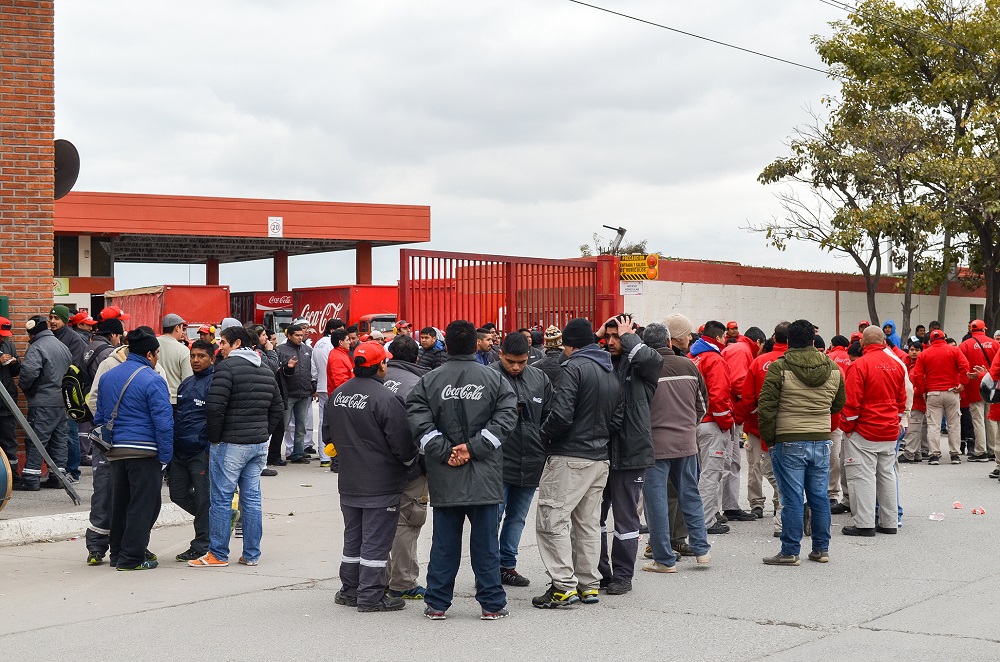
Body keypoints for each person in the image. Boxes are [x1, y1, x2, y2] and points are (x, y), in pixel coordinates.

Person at [407, 320, 517, 621]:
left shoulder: (429, 380)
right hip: (485, 475)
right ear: (474, 345)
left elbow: (417, 419)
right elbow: (507, 418)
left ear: (448, 346)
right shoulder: (494, 379)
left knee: (444, 544)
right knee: (486, 545)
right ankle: (492, 604)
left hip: (445, 476)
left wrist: (446, 452)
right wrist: (475, 448)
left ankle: (438, 603)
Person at [532, 318, 620, 608]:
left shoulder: (573, 368)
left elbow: (561, 415)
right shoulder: (609, 368)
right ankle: (588, 584)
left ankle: (563, 585)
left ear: (569, 346)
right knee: (589, 524)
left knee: (551, 520)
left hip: (570, 457)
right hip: (599, 457)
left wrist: (542, 437)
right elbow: (618, 417)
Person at [327, 342, 417, 613]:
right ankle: (371, 596)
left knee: (353, 539)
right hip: (381, 483)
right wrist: (410, 463)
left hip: (349, 481)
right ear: (380, 365)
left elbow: (327, 438)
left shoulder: (338, 394)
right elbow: (402, 444)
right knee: (376, 542)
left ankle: (350, 590)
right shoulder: (385, 398)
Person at [190, 326, 283, 568]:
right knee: (251, 499)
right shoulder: (265, 369)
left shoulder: (227, 368)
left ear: (236, 343)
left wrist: (215, 438)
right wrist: (264, 433)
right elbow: (278, 408)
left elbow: (214, 407)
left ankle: (218, 554)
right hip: (257, 445)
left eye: (223, 342)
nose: (219, 347)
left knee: (221, 498)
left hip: (230, 444)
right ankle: (251, 554)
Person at [757, 319, 845, 565]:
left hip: (789, 439)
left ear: (787, 341)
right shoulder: (833, 368)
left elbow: (766, 407)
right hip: (821, 439)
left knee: (792, 498)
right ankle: (821, 549)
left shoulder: (779, 367)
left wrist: (770, 439)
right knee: (819, 496)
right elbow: (838, 403)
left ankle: (790, 551)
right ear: (812, 339)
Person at [95, 327, 173, 571]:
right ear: (149, 354)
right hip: (144, 452)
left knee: (119, 505)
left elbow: (99, 416)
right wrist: (166, 456)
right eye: (157, 354)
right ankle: (132, 558)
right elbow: (164, 422)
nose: (157, 358)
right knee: (143, 505)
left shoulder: (108, 377)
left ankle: (117, 554)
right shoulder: (153, 380)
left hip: (116, 451)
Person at [596, 314, 661, 595]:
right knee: (592, 518)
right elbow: (570, 361)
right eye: (607, 336)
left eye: (617, 337)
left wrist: (629, 337)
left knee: (625, 521)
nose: (611, 342)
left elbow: (650, 360)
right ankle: (599, 573)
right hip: (598, 451)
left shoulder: (644, 365)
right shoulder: (598, 363)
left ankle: (623, 575)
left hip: (631, 452)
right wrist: (593, 335)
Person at [641, 322, 711, 573]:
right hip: (686, 444)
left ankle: (663, 559)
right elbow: (702, 405)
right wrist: (687, 427)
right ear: (669, 342)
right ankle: (702, 550)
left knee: (656, 501)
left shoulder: (643, 369)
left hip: (654, 447)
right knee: (690, 495)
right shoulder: (689, 366)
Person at [490, 332, 552, 588]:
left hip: (532, 460)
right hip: (498, 461)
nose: (516, 367)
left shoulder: (540, 378)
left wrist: (545, 446)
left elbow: (550, 415)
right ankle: (487, 567)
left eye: (522, 362)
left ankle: (507, 565)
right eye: (510, 361)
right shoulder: (488, 377)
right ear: (500, 355)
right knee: (493, 516)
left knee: (517, 517)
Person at [839, 326, 907, 537]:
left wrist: (847, 428)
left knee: (862, 477)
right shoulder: (896, 364)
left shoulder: (859, 365)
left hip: (864, 431)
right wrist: (895, 421)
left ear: (863, 344)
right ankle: (889, 522)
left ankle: (865, 523)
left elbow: (851, 402)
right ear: (884, 342)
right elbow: (901, 400)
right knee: (886, 475)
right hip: (888, 429)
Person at [382, 335, 430, 600]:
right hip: (409, 466)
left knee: (378, 522)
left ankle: (380, 577)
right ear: (416, 357)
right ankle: (403, 581)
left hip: (374, 466)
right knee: (407, 523)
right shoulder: (420, 384)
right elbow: (425, 430)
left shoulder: (375, 380)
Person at [737, 322, 789, 531]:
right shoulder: (800, 362)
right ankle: (781, 503)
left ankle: (757, 503)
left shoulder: (759, 362)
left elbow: (748, 396)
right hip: (790, 426)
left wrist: (743, 417)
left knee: (755, 466)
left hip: (757, 423)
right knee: (784, 467)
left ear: (774, 338)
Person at [689, 320, 736, 534]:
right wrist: (726, 423)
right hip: (712, 425)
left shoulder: (692, 358)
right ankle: (706, 521)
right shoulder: (714, 359)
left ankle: (699, 517)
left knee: (698, 474)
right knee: (711, 474)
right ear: (718, 338)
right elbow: (719, 395)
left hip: (694, 424)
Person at [170, 340, 215, 562]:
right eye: (193, 356)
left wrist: (208, 447)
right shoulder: (186, 384)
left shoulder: (214, 383)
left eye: (201, 356)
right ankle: (218, 520)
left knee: (204, 499)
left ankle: (201, 546)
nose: (196, 360)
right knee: (177, 495)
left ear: (211, 358)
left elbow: (216, 419)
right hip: (179, 451)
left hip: (201, 452)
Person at [16, 316, 72, 491]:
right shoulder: (62, 346)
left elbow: (29, 374)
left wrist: (27, 390)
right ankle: (58, 478)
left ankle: (31, 479)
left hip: (42, 402)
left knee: (36, 439)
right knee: (59, 439)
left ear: (33, 332)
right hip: (61, 401)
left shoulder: (37, 347)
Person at [721, 326, 766, 522]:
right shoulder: (742, 351)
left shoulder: (736, 349)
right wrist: (754, 404)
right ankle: (718, 510)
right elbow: (739, 383)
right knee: (725, 463)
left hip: (729, 412)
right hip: (729, 412)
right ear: (758, 342)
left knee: (731, 462)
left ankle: (729, 507)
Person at [911, 328, 970, 464]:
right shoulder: (954, 350)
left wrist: (922, 391)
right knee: (954, 424)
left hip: (933, 393)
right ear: (944, 338)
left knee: (933, 425)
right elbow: (965, 367)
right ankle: (955, 454)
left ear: (930, 341)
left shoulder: (925, 354)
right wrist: (962, 384)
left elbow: (918, 375)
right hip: (952, 391)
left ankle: (934, 455)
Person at [276, 323, 315, 464]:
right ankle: (275, 453)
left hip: (304, 393)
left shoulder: (307, 350)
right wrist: (287, 367)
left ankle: (298, 453)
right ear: (289, 336)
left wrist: (312, 385)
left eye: (301, 335)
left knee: (301, 426)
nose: (300, 338)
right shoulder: (280, 350)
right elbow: (278, 371)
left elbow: (311, 370)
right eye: (297, 335)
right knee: (283, 426)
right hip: (288, 394)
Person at [959, 320, 997, 462]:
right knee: (991, 418)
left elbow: (961, 368)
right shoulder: (995, 343)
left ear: (971, 330)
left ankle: (981, 451)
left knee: (978, 419)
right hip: (991, 386)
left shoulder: (964, 345)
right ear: (984, 329)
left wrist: (962, 383)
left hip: (974, 387)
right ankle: (993, 449)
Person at [311, 320, 337, 468]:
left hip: (321, 385)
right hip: (331, 385)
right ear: (334, 331)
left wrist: (314, 382)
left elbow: (313, 368)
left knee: (322, 421)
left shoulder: (318, 343)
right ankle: (329, 453)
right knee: (332, 421)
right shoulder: (332, 345)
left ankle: (324, 456)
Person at [0, 317, 21, 488]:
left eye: (5, 335)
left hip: (6, 402)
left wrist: (14, 363)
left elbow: (16, 372)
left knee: (9, 440)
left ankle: (12, 476)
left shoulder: (9, 345)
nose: (2, 338)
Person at [899, 341, 928, 463]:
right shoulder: (906, 365)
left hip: (917, 401)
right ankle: (916, 453)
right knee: (916, 428)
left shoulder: (922, 365)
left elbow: (923, 384)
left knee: (914, 429)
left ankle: (909, 453)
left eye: (917, 350)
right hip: (912, 401)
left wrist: (909, 393)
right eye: (911, 349)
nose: (914, 352)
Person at [156, 313, 193, 405]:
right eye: (182, 328)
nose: (183, 332)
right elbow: (187, 380)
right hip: (175, 400)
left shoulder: (153, 344)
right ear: (177, 328)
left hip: (155, 397)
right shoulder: (183, 350)